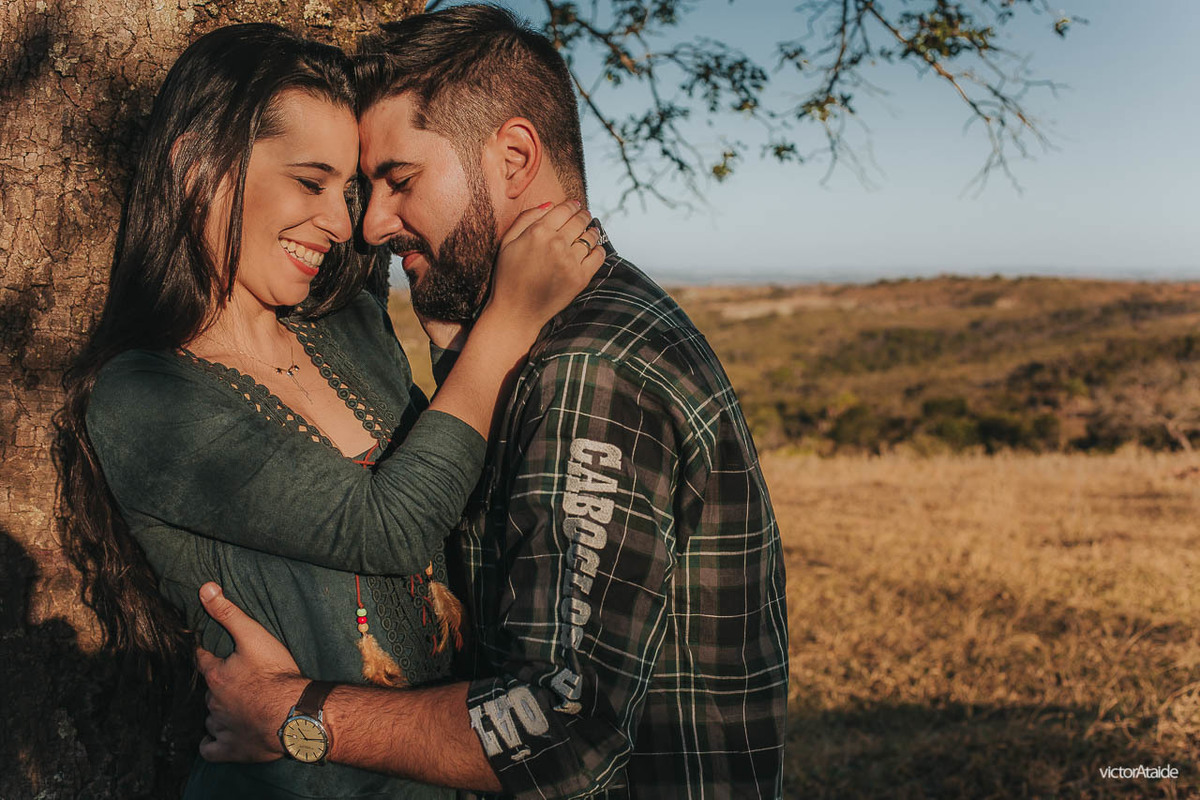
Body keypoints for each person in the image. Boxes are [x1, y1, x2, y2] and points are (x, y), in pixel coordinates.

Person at [197, 5, 789, 798]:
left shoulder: (588, 369)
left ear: (513, 157)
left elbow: (560, 731)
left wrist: (292, 715)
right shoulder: (549, 340)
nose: (370, 226)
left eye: (399, 180)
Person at [55, 22, 602, 800]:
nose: (344, 225)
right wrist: (506, 328)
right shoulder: (144, 398)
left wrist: (453, 352)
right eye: (309, 183)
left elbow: (461, 492)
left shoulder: (346, 323)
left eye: (346, 192)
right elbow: (387, 526)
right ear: (195, 168)